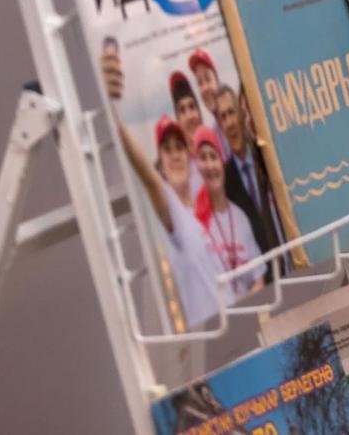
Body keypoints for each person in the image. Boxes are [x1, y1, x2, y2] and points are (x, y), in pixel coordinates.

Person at [98, 38, 223, 329]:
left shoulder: (208, 192)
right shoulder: (170, 207)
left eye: (179, 148)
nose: (176, 155)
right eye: (167, 150)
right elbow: (149, 180)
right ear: (160, 164)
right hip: (208, 329)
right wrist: (108, 106)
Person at [192, 126, 263, 299]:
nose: (210, 165)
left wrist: (242, 306)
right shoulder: (196, 223)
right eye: (203, 158)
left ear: (222, 163)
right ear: (197, 167)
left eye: (213, 156)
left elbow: (259, 280)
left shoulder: (240, 218)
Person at [216, 85, 281, 266]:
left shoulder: (265, 155)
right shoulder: (225, 182)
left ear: (241, 114)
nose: (229, 123)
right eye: (223, 117)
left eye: (231, 113)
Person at [169, 72, 205, 197]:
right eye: (182, 110)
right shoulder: (179, 170)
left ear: (199, 112)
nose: (190, 116)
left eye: (192, 107)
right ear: (178, 120)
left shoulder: (218, 151)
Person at [190, 48, 222, 124]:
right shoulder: (212, 130)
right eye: (200, 83)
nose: (205, 88)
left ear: (218, 82)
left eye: (208, 79)